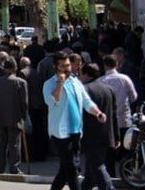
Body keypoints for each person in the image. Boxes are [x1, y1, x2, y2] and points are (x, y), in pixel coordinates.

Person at [44, 51, 107, 190]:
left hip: (76, 131)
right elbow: (52, 101)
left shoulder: (76, 82)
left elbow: (86, 101)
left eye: (68, 65)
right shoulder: (49, 84)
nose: (67, 68)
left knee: (65, 170)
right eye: (63, 66)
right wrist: (60, 84)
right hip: (60, 134)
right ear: (56, 67)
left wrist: (98, 113)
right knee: (72, 169)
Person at [98, 54, 137, 177]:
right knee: (127, 151)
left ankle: (111, 178)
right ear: (117, 65)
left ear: (104, 66)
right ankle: (128, 175)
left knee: (109, 153)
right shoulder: (125, 79)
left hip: (108, 123)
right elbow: (134, 97)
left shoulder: (100, 81)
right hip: (124, 120)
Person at [80, 63, 117, 190]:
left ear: (85, 75)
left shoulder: (85, 90)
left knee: (98, 166)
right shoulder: (108, 89)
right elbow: (114, 115)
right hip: (106, 134)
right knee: (91, 172)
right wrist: (116, 136)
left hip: (90, 135)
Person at [0, 57, 28, 175]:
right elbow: (24, 103)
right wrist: (24, 117)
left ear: (4, 69)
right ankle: (14, 167)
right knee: (14, 144)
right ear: (15, 68)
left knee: (1, 145)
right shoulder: (21, 83)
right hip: (15, 118)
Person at [18, 56, 47, 162]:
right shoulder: (36, 72)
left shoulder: (22, 73)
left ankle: (29, 154)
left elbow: (22, 91)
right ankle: (40, 154)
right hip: (39, 104)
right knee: (38, 130)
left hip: (29, 105)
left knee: (29, 132)